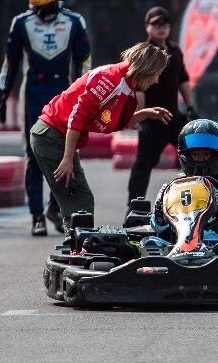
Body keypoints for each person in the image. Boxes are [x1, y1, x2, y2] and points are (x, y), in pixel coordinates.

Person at [29, 42, 171, 228]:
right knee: (81, 203)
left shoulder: (126, 86)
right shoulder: (109, 80)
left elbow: (117, 122)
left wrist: (146, 113)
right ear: (147, 69)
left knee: (80, 201)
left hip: (57, 136)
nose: (157, 80)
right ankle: (77, 242)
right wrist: (67, 158)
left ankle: (73, 235)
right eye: (157, 74)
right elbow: (77, 117)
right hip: (51, 135)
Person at [0, 0, 91, 236]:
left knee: (64, 152)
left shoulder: (74, 22)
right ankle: (36, 214)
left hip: (63, 90)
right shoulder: (21, 22)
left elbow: (84, 62)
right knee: (33, 153)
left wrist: (84, 94)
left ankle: (55, 208)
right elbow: (10, 63)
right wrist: (3, 94)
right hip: (33, 90)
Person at [127, 6, 196, 202]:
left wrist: (190, 107)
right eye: (156, 24)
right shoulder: (144, 52)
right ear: (147, 27)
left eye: (165, 24)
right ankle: (135, 206)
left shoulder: (175, 50)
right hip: (151, 120)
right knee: (144, 164)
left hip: (173, 117)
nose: (161, 28)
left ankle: (198, 199)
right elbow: (138, 87)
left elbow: (183, 79)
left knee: (194, 154)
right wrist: (141, 118)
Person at [150, 119, 218, 247]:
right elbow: (157, 227)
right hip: (176, 245)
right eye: (195, 154)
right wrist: (160, 216)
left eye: (206, 154)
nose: (201, 160)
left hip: (217, 246)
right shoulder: (170, 188)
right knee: (150, 243)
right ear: (185, 155)